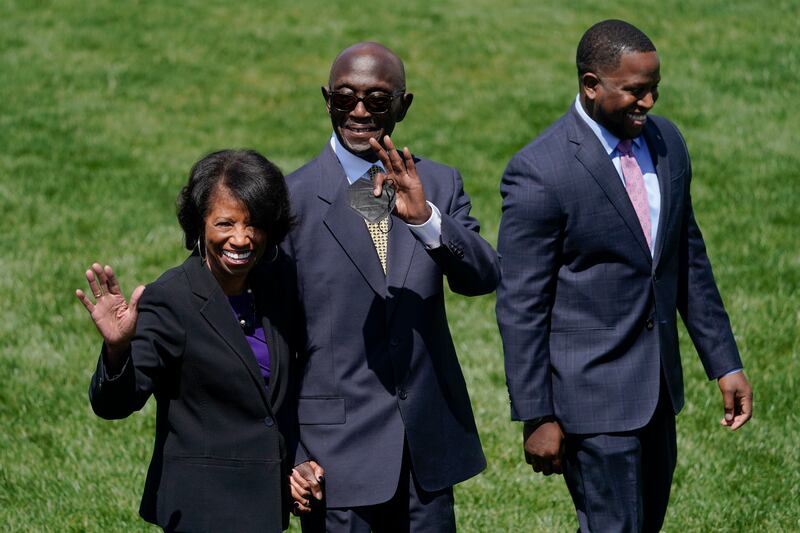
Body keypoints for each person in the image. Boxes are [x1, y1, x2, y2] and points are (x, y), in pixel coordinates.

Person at [496, 20, 753, 532]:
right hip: (589, 400)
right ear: (591, 85)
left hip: (656, 392)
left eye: (655, 88)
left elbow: (687, 261)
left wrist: (724, 361)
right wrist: (537, 415)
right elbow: (520, 306)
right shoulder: (540, 171)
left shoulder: (667, 144)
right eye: (635, 90)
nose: (650, 102)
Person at [283, 42, 500, 532]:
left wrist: (426, 220)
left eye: (378, 101)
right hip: (333, 457)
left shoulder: (439, 185)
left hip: (426, 453)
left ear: (404, 106)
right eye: (345, 98)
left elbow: (484, 276)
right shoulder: (289, 202)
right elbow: (277, 340)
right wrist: (296, 452)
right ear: (327, 100)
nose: (359, 112)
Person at [77, 149, 321, 532]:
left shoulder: (277, 288)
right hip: (201, 511)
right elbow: (116, 403)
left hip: (267, 509)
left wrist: (297, 459)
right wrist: (117, 348)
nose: (240, 238)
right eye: (225, 223)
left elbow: (281, 397)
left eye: (253, 224)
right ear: (199, 225)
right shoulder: (171, 297)